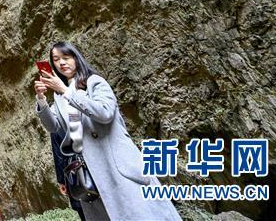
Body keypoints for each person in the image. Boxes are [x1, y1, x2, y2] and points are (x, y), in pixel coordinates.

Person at [34, 42, 181, 221]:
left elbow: (105, 113)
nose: (61, 63)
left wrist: (66, 91)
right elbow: (53, 126)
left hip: (117, 166)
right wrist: (41, 99)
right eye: (56, 60)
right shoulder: (59, 97)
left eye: (66, 57)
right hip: (91, 175)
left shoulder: (94, 82)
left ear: (76, 58)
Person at [51, 131, 86, 221]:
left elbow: (58, 156)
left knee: (82, 208)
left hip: (75, 174)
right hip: (93, 169)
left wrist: (62, 181)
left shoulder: (57, 126)